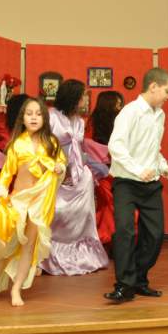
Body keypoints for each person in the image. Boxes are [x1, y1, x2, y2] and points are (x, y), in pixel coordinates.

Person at [0, 98, 66, 306]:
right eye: (29, 114)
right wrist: (0, 190)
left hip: (39, 203)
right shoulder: (17, 144)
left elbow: (61, 163)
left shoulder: (52, 143)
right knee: (5, 243)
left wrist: (60, 168)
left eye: (38, 114)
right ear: (22, 118)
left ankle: (16, 289)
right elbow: (7, 173)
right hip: (18, 200)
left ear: (44, 118)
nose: (34, 118)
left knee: (28, 246)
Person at [104, 68, 168, 302]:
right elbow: (116, 146)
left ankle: (138, 279)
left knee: (155, 236)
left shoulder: (160, 115)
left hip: (151, 184)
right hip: (126, 182)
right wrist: (137, 169)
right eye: (167, 91)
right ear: (153, 87)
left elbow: (153, 148)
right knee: (125, 232)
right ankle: (124, 285)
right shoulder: (130, 112)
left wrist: (163, 166)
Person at [40, 80, 109, 275]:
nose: (85, 100)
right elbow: (43, 145)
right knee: (57, 213)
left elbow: (79, 149)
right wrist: (58, 168)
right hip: (56, 172)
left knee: (83, 214)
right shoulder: (51, 116)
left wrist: (82, 168)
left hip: (79, 174)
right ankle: (49, 255)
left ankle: (82, 256)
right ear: (73, 97)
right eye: (83, 96)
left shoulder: (80, 121)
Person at [84, 91, 125, 246]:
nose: (120, 108)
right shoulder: (94, 124)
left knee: (110, 205)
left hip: (108, 171)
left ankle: (108, 239)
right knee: (111, 205)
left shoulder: (113, 122)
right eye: (118, 104)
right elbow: (87, 147)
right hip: (104, 173)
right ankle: (108, 238)